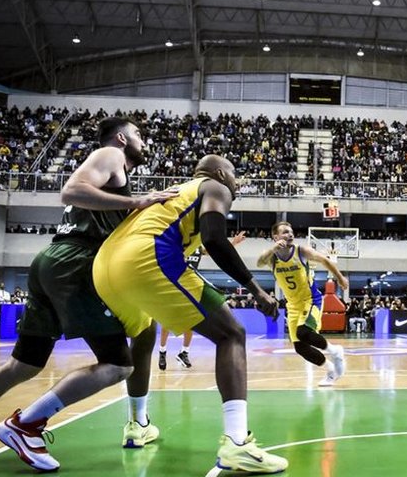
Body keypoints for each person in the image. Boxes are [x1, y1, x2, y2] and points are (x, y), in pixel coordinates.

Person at [0, 117, 175, 472]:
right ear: (121, 138)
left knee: (22, 366)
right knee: (119, 365)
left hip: (51, 262)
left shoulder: (114, 178)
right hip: (76, 264)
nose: (144, 141)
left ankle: (25, 425)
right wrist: (138, 202)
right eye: (138, 134)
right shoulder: (111, 155)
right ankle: (26, 425)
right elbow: (70, 190)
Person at [93, 155, 287, 473]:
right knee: (231, 334)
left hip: (105, 266)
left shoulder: (177, 191)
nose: (236, 184)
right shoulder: (215, 187)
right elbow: (214, 237)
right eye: (234, 176)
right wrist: (256, 289)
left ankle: (137, 424)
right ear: (221, 173)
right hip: (147, 258)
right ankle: (237, 444)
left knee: (144, 333)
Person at [257, 221, 348, 386]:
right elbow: (259, 262)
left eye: (291, 231)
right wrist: (273, 249)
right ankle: (330, 371)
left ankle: (336, 352)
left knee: (304, 332)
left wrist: (340, 278)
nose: (290, 234)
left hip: (311, 300)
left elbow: (325, 260)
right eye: (285, 232)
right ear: (275, 237)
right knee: (300, 348)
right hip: (292, 305)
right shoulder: (272, 257)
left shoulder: (301, 251)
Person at [158, 233, 246, 371]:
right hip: (173, 285)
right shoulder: (177, 244)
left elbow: (214, 251)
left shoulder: (198, 246)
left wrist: (233, 243)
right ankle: (162, 352)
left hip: (191, 286)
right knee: (167, 323)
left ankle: (184, 353)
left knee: (192, 321)